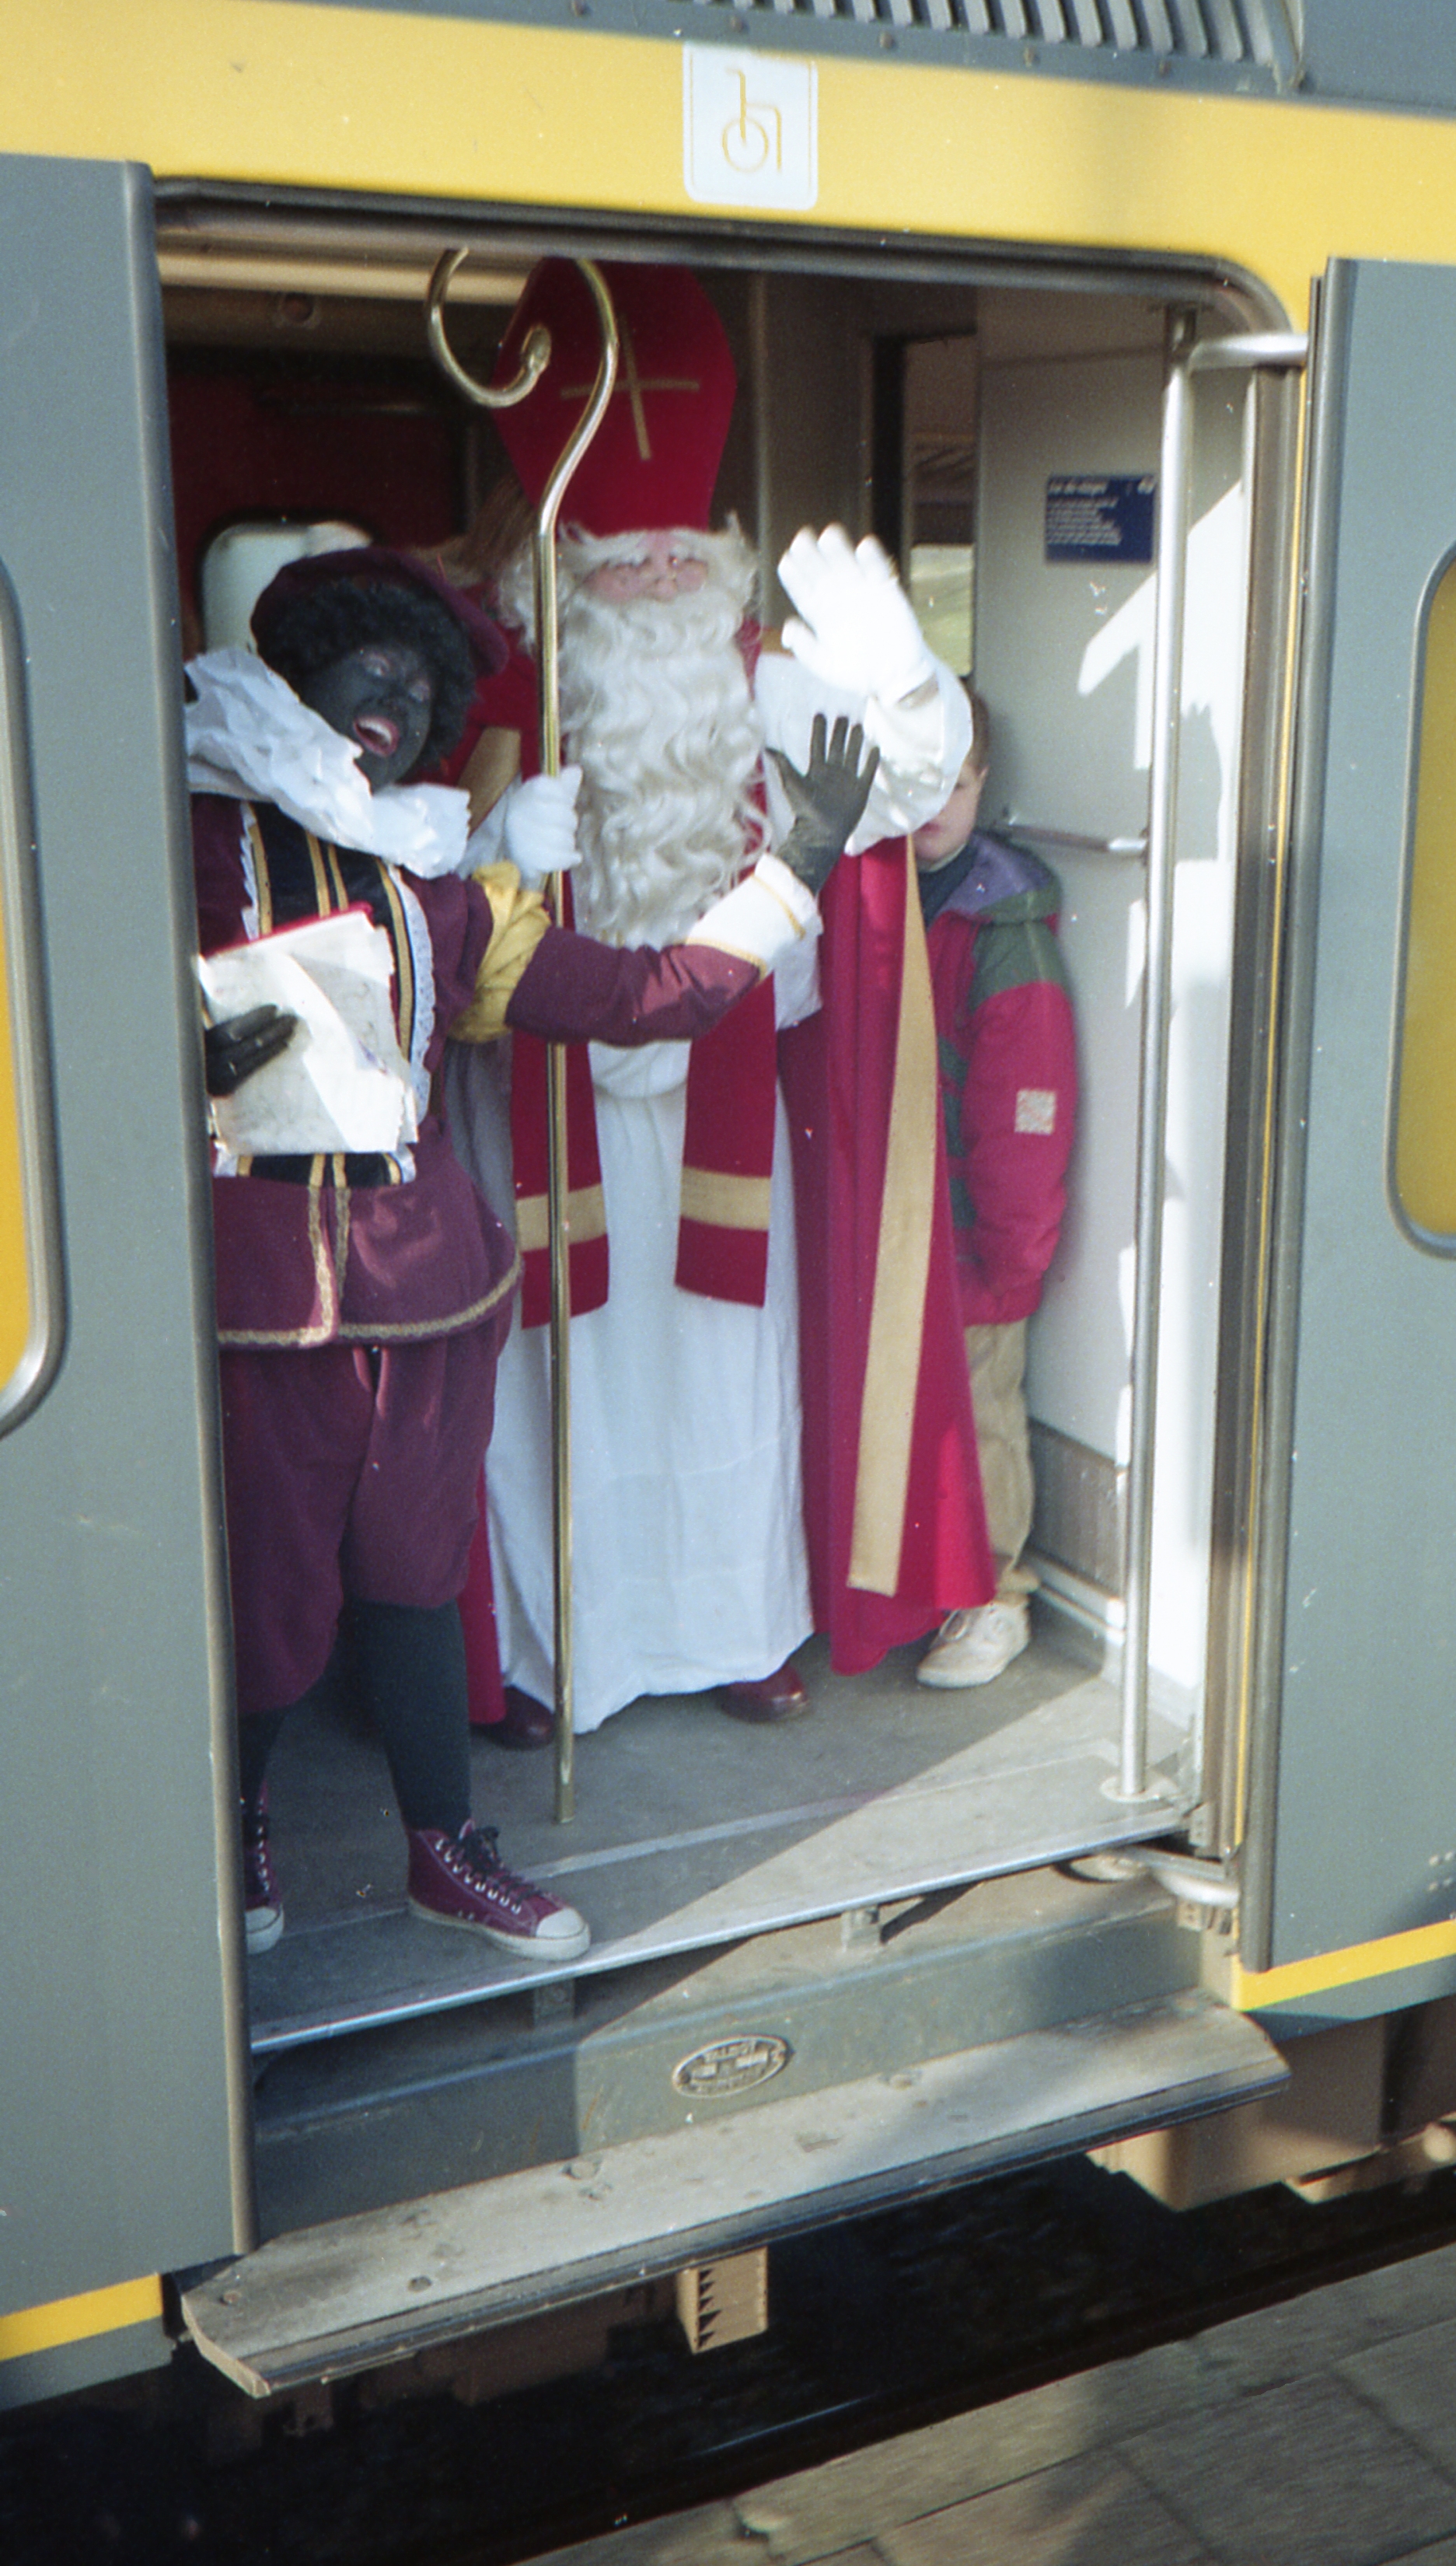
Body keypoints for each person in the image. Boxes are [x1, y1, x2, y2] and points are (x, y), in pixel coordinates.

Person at [190, 544, 875, 1957]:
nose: (388, 697)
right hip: (266, 1297)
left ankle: (445, 1846)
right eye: (364, 667)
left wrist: (795, 866)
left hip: (432, 1291)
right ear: (304, 675)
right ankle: (234, 1821)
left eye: (419, 683)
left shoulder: (451, 887)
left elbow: (646, 996)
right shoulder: (188, 836)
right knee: (269, 1584)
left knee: (410, 1573)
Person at [448, 260, 993, 1741]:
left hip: (725, 1092)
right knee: (551, 1381)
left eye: (681, 561)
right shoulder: (501, 690)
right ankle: (554, 1652)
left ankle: (734, 1627)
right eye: (621, 565)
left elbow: (916, 792)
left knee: (722, 1372)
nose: (656, 586)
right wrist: (488, 846)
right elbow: (393, 895)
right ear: (560, 571)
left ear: (721, 564)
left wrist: (906, 677)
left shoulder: (758, 681)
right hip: (533, 1093)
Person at [910, 690, 1077, 1688]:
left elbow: (1027, 1105)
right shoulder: (888, 892)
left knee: (980, 1413)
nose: (932, 799)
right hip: (902, 1220)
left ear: (982, 784)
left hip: (973, 1231)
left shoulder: (1001, 928)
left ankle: (995, 1594)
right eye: (914, 780)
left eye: (954, 780)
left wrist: (1011, 1250)